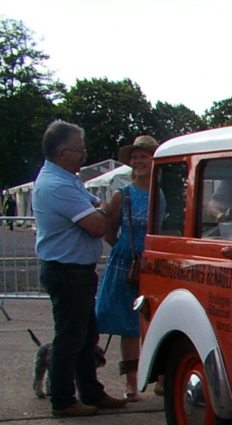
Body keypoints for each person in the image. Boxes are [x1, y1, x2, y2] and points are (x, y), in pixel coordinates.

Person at [34, 120, 128, 417]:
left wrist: (100, 208)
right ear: (62, 153)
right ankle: (62, 400)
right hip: (67, 271)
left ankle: (91, 392)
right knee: (69, 339)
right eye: (79, 149)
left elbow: (97, 207)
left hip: (76, 272)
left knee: (86, 336)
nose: (84, 155)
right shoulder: (58, 185)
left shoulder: (66, 179)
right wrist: (103, 209)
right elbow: (98, 224)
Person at [96, 136, 159, 401]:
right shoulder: (123, 194)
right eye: (135, 156)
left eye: (144, 155)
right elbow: (109, 232)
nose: (138, 160)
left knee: (155, 319)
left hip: (154, 261)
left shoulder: (161, 193)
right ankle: (132, 384)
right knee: (128, 323)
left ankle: (161, 379)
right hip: (128, 261)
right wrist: (128, 251)